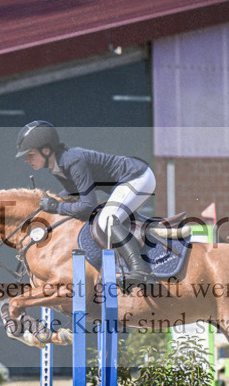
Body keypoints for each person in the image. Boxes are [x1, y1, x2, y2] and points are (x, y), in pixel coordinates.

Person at [15, 120, 155, 286]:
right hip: (125, 182)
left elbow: (88, 206)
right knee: (105, 218)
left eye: (30, 154)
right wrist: (46, 208)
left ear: (46, 150)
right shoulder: (58, 166)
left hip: (137, 177)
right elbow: (73, 196)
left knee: (107, 220)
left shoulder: (72, 161)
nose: (26, 159)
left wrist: (56, 206)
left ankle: (141, 269)